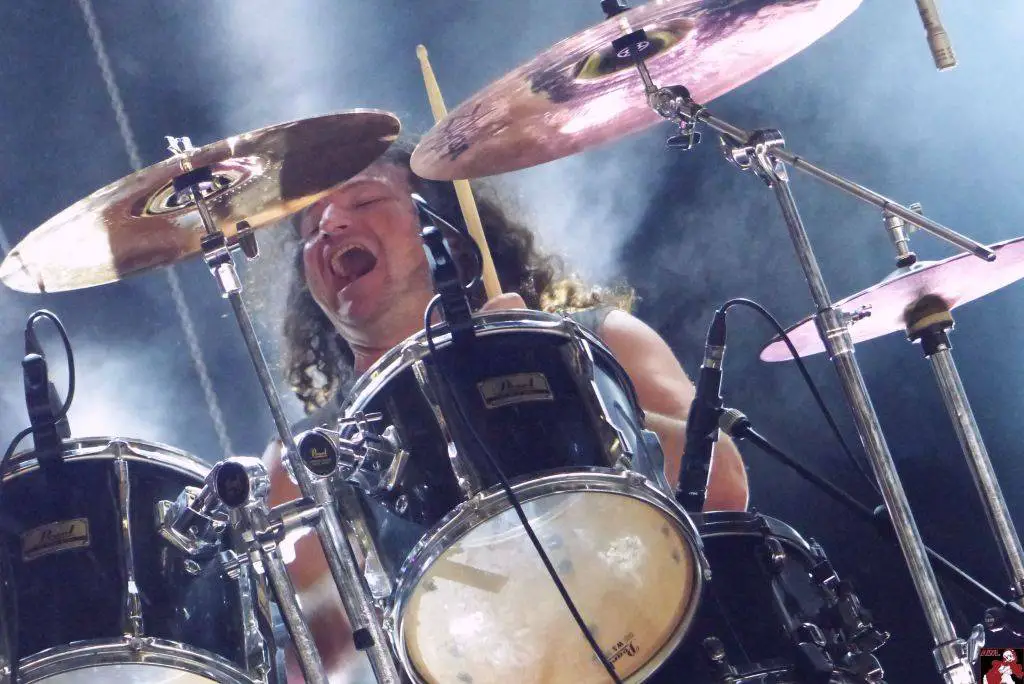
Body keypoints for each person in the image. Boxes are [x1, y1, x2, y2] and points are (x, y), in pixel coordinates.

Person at [263, 138, 748, 680]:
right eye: (310, 228)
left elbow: (723, 484)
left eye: (365, 200)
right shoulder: (303, 459)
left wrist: (562, 388)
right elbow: (321, 658)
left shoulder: (597, 341)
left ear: (444, 231)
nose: (330, 224)